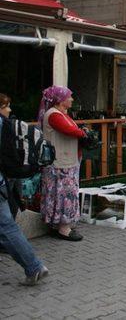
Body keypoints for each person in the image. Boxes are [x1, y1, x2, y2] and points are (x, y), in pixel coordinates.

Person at [0, 93, 49, 285]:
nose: (10, 109)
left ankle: (34, 266)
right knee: (7, 226)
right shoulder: (5, 125)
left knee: (6, 227)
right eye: (7, 106)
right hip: (4, 181)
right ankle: (34, 266)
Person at [38, 86, 87, 242]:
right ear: (61, 100)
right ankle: (63, 228)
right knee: (63, 193)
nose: (72, 99)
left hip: (64, 161)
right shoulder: (54, 115)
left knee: (63, 193)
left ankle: (59, 224)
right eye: (69, 97)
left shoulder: (60, 114)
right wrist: (83, 132)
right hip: (58, 163)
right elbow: (73, 131)